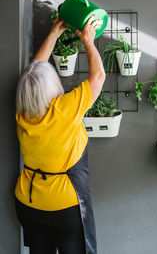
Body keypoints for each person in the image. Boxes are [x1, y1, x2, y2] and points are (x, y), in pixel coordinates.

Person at [14, 14, 106, 254]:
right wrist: (88, 41)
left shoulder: (22, 113)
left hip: (29, 202)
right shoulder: (64, 109)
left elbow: (34, 72)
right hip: (65, 207)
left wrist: (54, 34)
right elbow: (98, 77)